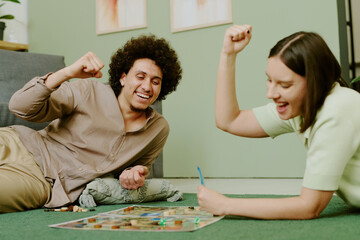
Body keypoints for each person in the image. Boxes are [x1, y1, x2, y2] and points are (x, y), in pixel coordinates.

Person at [0, 34, 182, 213]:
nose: (147, 87)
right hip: (16, 143)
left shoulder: (158, 128)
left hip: (44, 180)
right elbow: (19, 106)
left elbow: (138, 168)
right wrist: (67, 72)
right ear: (123, 77)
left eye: (155, 82)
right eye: (140, 77)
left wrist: (135, 174)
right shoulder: (88, 90)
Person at [197, 24, 360, 220]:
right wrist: (228, 55)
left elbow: (310, 206)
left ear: (314, 82)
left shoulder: (338, 108)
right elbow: (229, 120)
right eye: (269, 80)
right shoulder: (301, 107)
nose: (271, 94)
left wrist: (225, 205)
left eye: (285, 85)